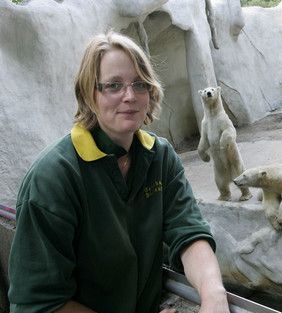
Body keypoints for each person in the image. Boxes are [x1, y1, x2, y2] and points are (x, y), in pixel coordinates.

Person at [8, 31, 230, 313]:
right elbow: (38, 304)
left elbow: (188, 231)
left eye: (139, 84)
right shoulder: (54, 177)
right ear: (90, 95)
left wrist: (213, 296)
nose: (130, 96)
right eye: (113, 85)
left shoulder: (160, 158)